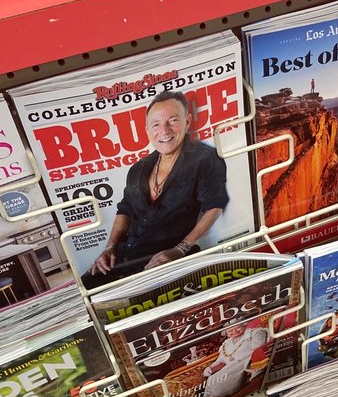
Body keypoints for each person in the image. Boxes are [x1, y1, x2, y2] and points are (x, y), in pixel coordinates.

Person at [81, 91, 229, 289]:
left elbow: (214, 206)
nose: (164, 130)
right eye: (156, 124)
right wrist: (110, 247)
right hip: (124, 255)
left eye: (173, 120)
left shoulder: (205, 158)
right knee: (86, 290)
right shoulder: (138, 168)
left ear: (187, 121)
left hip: (166, 259)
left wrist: (180, 249)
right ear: (148, 130)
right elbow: (125, 210)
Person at [202, 321, 269, 397]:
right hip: (230, 366)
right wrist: (211, 368)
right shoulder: (226, 344)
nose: (234, 331)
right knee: (211, 379)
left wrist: (254, 361)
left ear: (244, 325)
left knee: (217, 379)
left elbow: (258, 349)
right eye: (230, 330)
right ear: (226, 332)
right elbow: (221, 361)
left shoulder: (254, 333)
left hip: (246, 362)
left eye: (237, 328)